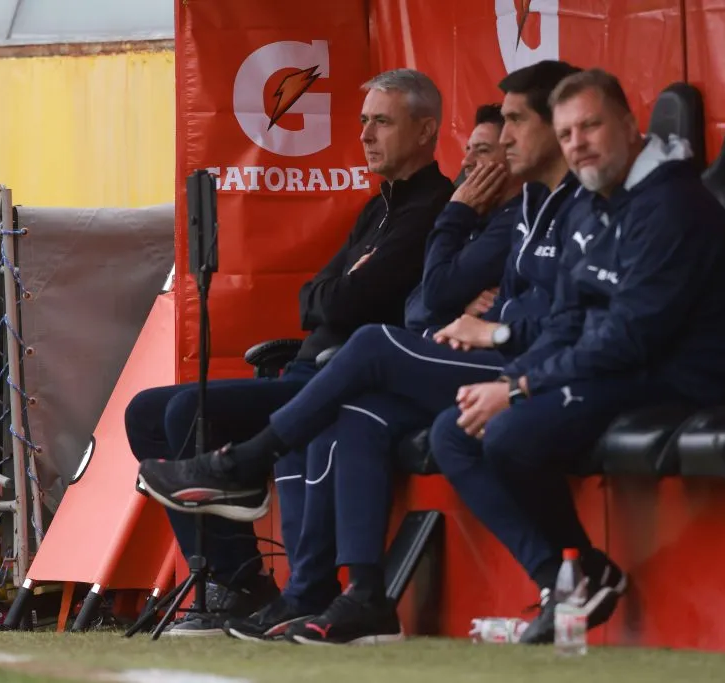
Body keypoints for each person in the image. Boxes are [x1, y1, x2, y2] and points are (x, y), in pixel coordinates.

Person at [138, 60, 589, 646]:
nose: (492, 152)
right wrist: (471, 303)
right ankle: (361, 595)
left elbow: (417, 301)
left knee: (365, 349)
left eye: (509, 128)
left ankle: (246, 484)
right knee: (350, 412)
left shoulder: (472, 207)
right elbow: (364, 300)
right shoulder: (417, 208)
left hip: (516, 363)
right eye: (362, 122)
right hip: (405, 357)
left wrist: (495, 320)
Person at [124, 68, 454, 635]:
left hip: (341, 378)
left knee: (185, 412)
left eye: (382, 122)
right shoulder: (377, 209)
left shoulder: (432, 209)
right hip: (305, 368)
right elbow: (314, 298)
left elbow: (348, 301)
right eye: (364, 121)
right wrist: (338, 290)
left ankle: (237, 581)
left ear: (426, 130)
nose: (366, 135)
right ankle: (243, 579)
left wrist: (337, 292)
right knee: (144, 411)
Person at [431, 68, 725, 643]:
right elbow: (568, 321)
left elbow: (631, 337)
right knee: (454, 430)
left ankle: (581, 573)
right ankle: (566, 579)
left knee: (510, 433)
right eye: (567, 133)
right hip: (618, 368)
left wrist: (521, 389)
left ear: (629, 126)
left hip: (679, 376)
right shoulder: (595, 203)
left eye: (591, 127)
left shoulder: (672, 205)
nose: (578, 144)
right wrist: (513, 378)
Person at [405, 103, 519, 335]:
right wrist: (459, 312)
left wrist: (457, 210)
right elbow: (412, 309)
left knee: (369, 339)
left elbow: (435, 293)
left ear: (515, 156)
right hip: (436, 339)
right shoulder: (478, 217)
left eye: (482, 150)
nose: (466, 161)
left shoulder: (513, 222)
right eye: (468, 150)